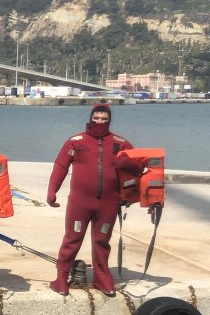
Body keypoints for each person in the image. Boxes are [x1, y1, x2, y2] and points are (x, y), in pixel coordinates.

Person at [45, 103, 141, 296]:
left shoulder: (121, 143)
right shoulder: (75, 142)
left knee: (102, 241)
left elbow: (138, 167)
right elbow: (61, 166)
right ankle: (61, 277)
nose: (99, 122)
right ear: (90, 118)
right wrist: (52, 191)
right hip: (80, 202)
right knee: (72, 239)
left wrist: (131, 187)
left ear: (109, 120)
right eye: (96, 118)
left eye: (104, 119)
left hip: (108, 203)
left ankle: (102, 277)